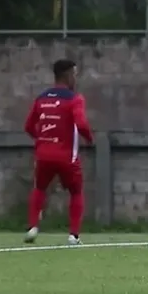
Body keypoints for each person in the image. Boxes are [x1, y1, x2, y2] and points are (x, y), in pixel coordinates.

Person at [23, 59, 94, 246]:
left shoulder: (41, 98)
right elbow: (81, 123)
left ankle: (32, 227)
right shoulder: (75, 99)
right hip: (66, 156)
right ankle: (74, 235)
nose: (76, 79)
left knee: (39, 188)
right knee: (76, 191)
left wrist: (41, 139)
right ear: (68, 76)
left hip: (43, 154)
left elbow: (29, 126)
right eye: (75, 74)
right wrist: (89, 138)